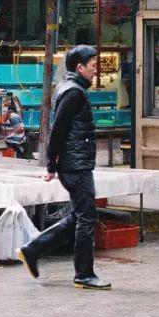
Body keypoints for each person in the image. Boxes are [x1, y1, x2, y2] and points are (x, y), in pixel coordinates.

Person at [18, 45, 110, 290]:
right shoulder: (73, 93)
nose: (95, 70)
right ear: (79, 67)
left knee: (80, 215)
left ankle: (32, 249)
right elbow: (57, 130)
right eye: (92, 66)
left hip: (74, 163)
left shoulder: (70, 89)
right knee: (86, 218)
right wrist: (50, 163)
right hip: (75, 165)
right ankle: (84, 274)